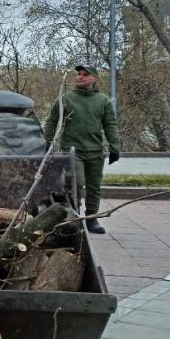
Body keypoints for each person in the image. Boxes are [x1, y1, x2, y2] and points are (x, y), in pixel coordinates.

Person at [43, 64, 120, 234]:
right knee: (76, 184)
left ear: (95, 79)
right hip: (72, 151)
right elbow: (51, 120)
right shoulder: (65, 98)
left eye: (85, 74)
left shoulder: (103, 100)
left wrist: (115, 146)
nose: (80, 77)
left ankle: (92, 219)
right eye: (79, 74)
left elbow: (110, 125)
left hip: (95, 150)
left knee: (94, 186)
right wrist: (48, 141)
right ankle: (76, 218)